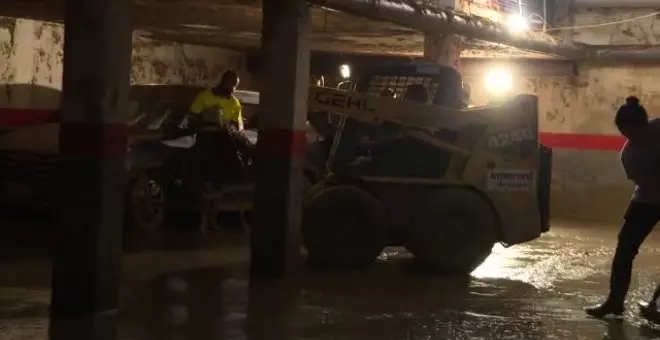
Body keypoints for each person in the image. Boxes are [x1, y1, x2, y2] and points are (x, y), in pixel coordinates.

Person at [585, 96, 660, 318]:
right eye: (625, 133)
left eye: (634, 131)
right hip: (647, 200)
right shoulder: (630, 156)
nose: (631, 137)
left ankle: (656, 303)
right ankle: (615, 301)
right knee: (624, 251)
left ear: (644, 124)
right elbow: (651, 184)